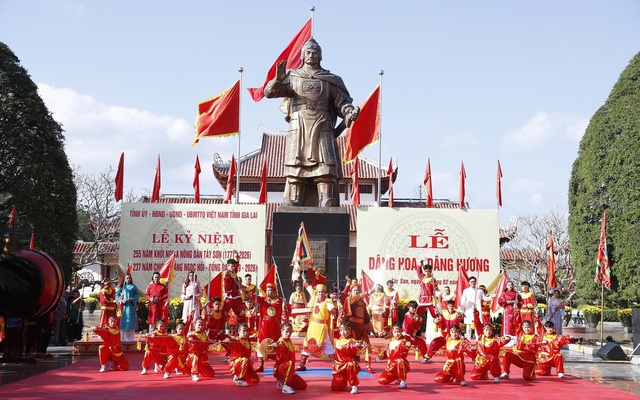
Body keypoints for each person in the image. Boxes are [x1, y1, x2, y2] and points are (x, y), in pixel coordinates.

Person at [264, 38, 360, 207]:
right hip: (298, 124)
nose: (311, 55)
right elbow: (269, 93)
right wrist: (278, 80)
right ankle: (295, 198)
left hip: (322, 124)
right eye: (308, 52)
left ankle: (326, 198)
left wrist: (349, 111)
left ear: (320, 56)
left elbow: (342, 103)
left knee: (325, 163)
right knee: (296, 163)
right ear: (302, 55)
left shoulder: (330, 80)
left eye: (315, 52)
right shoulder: (292, 77)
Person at [297, 284, 337, 371]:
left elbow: (332, 308)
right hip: (312, 326)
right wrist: (305, 282)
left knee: (327, 344)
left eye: (322, 292)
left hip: (322, 327)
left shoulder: (327, 301)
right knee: (307, 344)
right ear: (317, 293)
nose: (320, 294)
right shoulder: (315, 299)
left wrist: (332, 311)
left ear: (325, 293)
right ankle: (302, 364)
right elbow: (310, 290)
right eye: (319, 292)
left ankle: (336, 364)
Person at [340, 280, 374, 373]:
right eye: (354, 290)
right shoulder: (349, 300)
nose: (356, 292)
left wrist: (371, 328)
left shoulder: (362, 303)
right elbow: (353, 300)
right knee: (353, 346)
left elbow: (366, 317)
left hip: (361, 327)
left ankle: (368, 366)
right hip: (351, 327)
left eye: (358, 290)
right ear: (351, 292)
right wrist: (367, 293)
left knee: (367, 345)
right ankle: (352, 364)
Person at [255, 283, 288, 372]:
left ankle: (279, 364)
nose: (268, 293)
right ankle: (260, 365)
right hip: (264, 326)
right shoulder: (263, 300)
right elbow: (254, 298)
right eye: (267, 291)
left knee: (277, 344)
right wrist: (247, 292)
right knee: (261, 344)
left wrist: (285, 306)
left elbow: (284, 313)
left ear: (274, 291)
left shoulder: (280, 301)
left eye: (270, 291)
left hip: (275, 326)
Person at [271, 322, 307, 394]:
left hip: (289, 370)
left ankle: (282, 382)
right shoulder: (279, 343)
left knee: (303, 385)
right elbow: (271, 349)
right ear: (282, 331)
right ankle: (285, 386)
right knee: (290, 363)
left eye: (290, 332)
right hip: (281, 369)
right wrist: (274, 346)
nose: (288, 334)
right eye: (287, 332)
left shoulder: (290, 342)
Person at [221, 322, 260, 387]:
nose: (246, 333)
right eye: (244, 331)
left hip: (245, 364)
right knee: (245, 360)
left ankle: (239, 375)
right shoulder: (235, 340)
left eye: (247, 331)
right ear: (239, 331)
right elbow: (226, 343)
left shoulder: (247, 341)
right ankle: (239, 379)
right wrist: (226, 341)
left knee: (255, 379)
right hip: (235, 363)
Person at [331, 321, 363, 394]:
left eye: (345, 330)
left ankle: (354, 385)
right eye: (341, 330)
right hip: (339, 366)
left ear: (350, 330)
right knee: (336, 387)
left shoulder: (351, 341)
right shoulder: (338, 341)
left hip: (349, 365)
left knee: (350, 365)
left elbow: (357, 348)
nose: (343, 332)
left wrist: (358, 345)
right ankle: (344, 381)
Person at [377, 323, 412, 389]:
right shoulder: (392, 340)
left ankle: (403, 381)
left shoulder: (404, 341)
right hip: (391, 366)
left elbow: (405, 349)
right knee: (382, 380)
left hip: (401, 364)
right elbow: (388, 352)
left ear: (401, 332)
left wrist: (407, 346)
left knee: (399, 360)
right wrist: (380, 356)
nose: (396, 334)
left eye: (398, 332)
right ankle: (398, 375)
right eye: (395, 332)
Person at [185, 317, 215, 381]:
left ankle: (198, 369)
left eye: (202, 325)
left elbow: (206, 346)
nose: (200, 327)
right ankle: (194, 374)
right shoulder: (191, 334)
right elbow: (191, 348)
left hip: (203, 357)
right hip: (194, 356)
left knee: (211, 374)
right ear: (195, 324)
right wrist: (190, 340)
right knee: (196, 357)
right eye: (199, 325)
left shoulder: (204, 335)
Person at [222, 258, 247, 330]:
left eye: (234, 266)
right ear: (228, 266)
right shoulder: (227, 274)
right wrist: (227, 273)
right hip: (229, 297)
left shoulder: (234, 273)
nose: (233, 268)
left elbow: (237, 265)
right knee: (224, 313)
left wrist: (237, 257)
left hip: (237, 296)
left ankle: (241, 328)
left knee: (241, 313)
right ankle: (221, 329)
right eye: (232, 266)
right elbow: (225, 275)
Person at [115, 273, 139, 342]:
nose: (128, 279)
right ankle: (122, 339)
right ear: (124, 279)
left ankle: (130, 339)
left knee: (130, 322)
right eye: (127, 278)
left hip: (130, 307)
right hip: (123, 307)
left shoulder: (133, 287)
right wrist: (121, 301)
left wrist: (132, 299)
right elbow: (117, 295)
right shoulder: (121, 287)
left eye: (129, 278)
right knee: (123, 322)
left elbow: (137, 295)